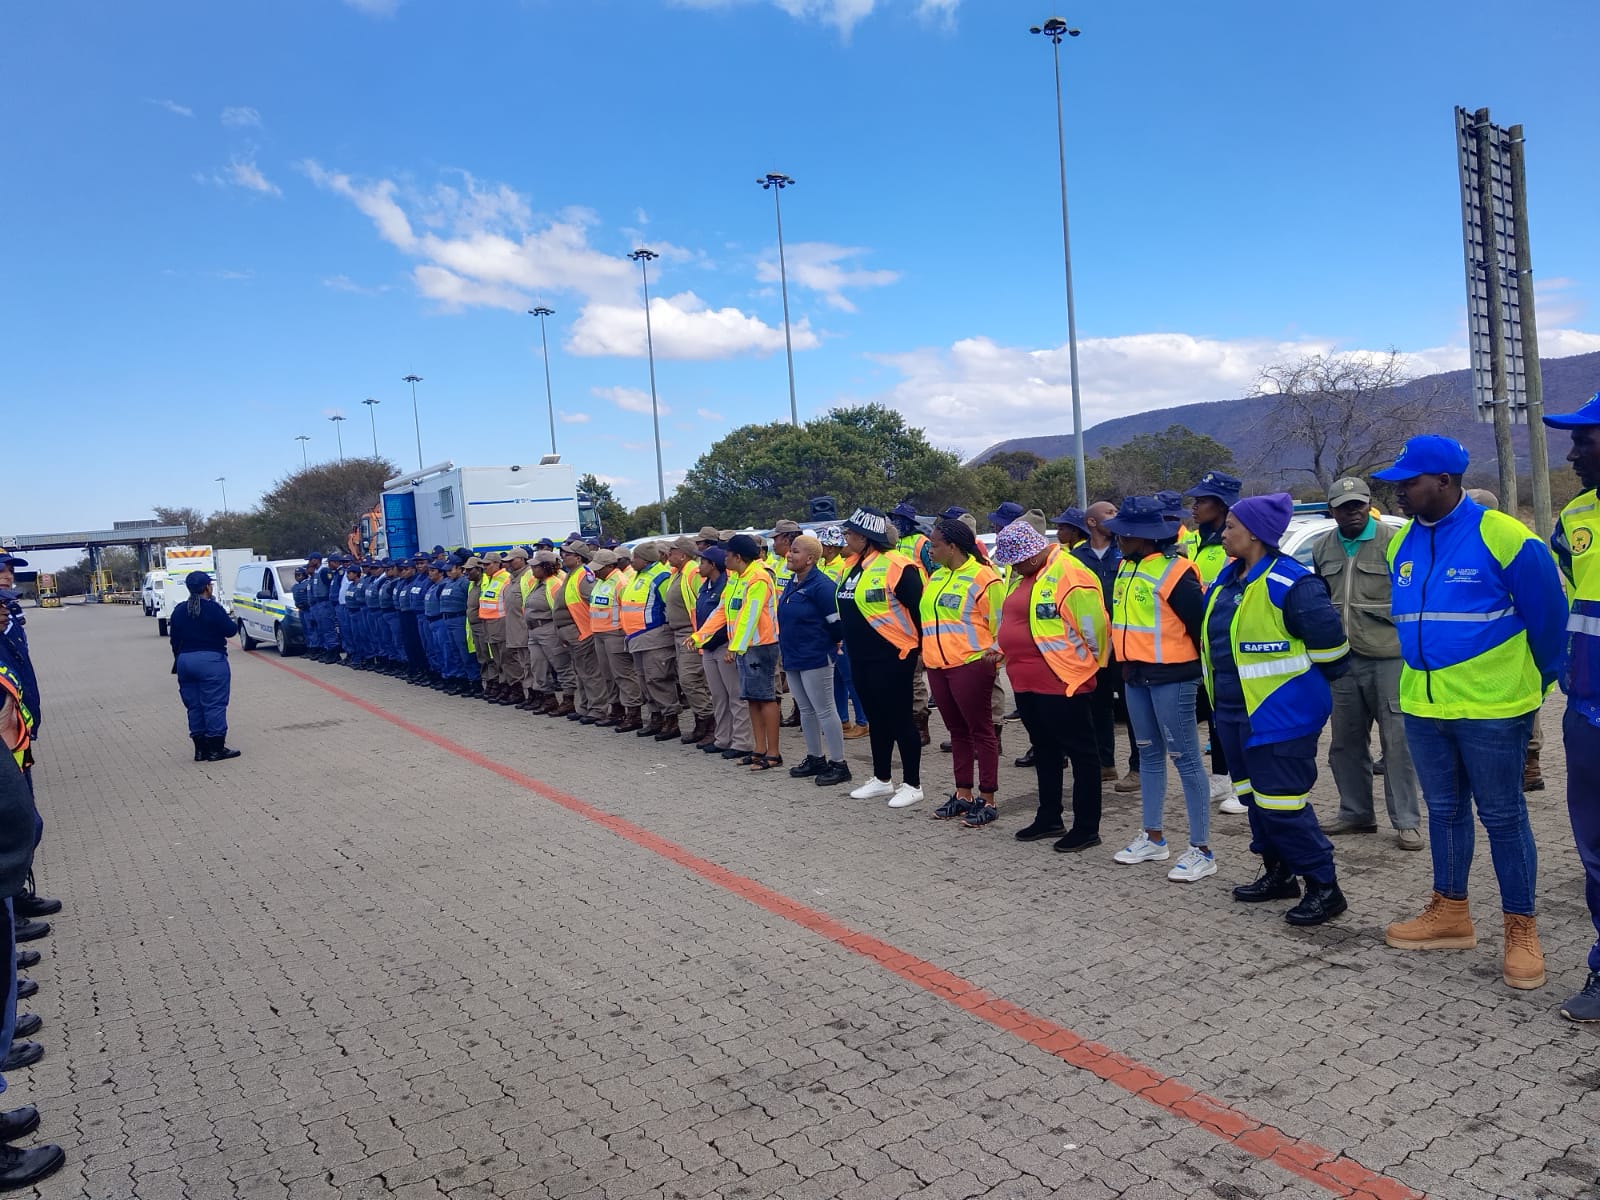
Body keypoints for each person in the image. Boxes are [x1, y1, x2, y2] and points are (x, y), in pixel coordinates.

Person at [1376, 436, 1567, 992]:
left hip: (1493, 708)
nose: (1401, 492)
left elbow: (1549, 622)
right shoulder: (1401, 545)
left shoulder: (1504, 535)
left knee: (1504, 817)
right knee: (1445, 811)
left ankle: (1521, 929)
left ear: (1444, 481)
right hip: (1423, 704)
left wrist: (1535, 686)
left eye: (1410, 482)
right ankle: (1451, 913)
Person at [1204, 494, 1351, 925]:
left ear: (1254, 533)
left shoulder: (1294, 584)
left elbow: (1334, 655)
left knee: (1282, 805)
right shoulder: (1227, 579)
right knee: (1255, 800)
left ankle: (1325, 887)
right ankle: (1279, 873)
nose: (1223, 533)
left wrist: (1294, 695)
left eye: (1230, 526)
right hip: (1234, 714)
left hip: (1279, 716)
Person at [1104, 497, 1215, 882]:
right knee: (1149, 756)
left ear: (1143, 536)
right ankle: (1153, 838)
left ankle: (1201, 849)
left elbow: (1199, 626)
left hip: (1174, 679)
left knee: (1186, 760)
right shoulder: (1125, 567)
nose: (1116, 538)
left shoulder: (1177, 572)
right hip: (1136, 678)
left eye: (1123, 532)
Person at [1310, 475, 1423, 850]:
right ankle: (1356, 813)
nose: (1352, 512)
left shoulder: (1394, 542)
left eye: (1358, 505)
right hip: (1343, 661)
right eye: (1344, 507)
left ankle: (1406, 821)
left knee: (1398, 743)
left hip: (1388, 657)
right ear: (1332, 511)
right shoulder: (1323, 546)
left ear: (1369, 503)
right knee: (1344, 743)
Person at [988, 519, 1107, 851]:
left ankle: (1086, 827)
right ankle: (1049, 817)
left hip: (1064, 681)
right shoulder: (1027, 574)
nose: (1012, 567)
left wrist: (1085, 670)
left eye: (1016, 561)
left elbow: (1095, 629)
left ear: (1031, 554)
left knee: (1082, 755)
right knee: (1045, 750)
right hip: (1027, 682)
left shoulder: (1070, 573)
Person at [1544, 392, 1600, 1020]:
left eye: (1587, 438)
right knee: (1596, 851)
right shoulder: (1574, 519)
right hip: (1589, 715)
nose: (1574, 450)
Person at [835, 508, 925, 808]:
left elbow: (919, 610)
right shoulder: (852, 565)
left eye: (849, 534)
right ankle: (882, 779)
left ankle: (912, 783)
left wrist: (919, 650)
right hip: (860, 656)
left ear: (865, 537)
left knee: (900, 720)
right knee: (876, 718)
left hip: (893, 655)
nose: (844, 538)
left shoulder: (898, 565)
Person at [920, 519, 1004, 826]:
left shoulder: (984, 578)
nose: (929, 550)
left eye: (935, 545)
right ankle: (963, 794)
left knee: (981, 730)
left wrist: (992, 659)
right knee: (957, 733)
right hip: (938, 666)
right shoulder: (936, 576)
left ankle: (989, 798)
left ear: (952, 547)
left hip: (970, 665)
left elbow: (1000, 625)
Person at [1181, 471, 1243, 812]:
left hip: (1229, 640)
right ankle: (1221, 778)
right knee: (1216, 716)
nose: (1194, 506)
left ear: (1220, 505)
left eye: (1201, 501)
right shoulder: (1194, 540)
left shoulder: (1236, 540)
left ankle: (1245, 784)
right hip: (1202, 642)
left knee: (1236, 714)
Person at [692, 534, 780, 768]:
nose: (724, 558)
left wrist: (734, 646)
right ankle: (758, 749)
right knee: (752, 699)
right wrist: (700, 635)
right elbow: (722, 611)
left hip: (761, 646)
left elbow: (750, 616)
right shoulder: (737, 578)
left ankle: (773, 753)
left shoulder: (758, 578)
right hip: (745, 646)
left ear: (737, 557)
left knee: (766, 699)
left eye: (727, 554)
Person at [1069, 502, 1138, 791]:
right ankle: (1105, 763)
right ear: (1092, 522)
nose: (1115, 516)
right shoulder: (1076, 556)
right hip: (1093, 643)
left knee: (1132, 705)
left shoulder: (1127, 552)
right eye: (1109, 513)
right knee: (1098, 704)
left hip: (1125, 641)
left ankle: (1138, 767)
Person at [778, 535, 851, 786]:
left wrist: (832, 644)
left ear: (810, 558)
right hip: (793, 655)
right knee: (806, 709)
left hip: (815, 655)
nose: (789, 554)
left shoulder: (822, 586)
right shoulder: (793, 582)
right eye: (790, 550)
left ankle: (839, 763)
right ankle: (815, 757)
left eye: (795, 551)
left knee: (825, 709)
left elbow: (836, 624)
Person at [169, 571, 241, 762]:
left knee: (194, 705)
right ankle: (216, 749)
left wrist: (181, 657)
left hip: (185, 661)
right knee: (214, 703)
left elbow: (174, 639)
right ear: (207, 587)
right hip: (210, 661)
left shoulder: (179, 610)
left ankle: (200, 750)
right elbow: (231, 630)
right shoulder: (212, 608)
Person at [692, 548, 752, 760]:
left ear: (713, 565)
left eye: (703, 562)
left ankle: (742, 741)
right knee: (718, 696)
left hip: (725, 645)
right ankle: (722, 739)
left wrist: (726, 644)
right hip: (708, 646)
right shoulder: (705, 586)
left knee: (735, 696)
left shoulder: (727, 584)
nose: (699, 566)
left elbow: (728, 617)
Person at [622, 543, 680, 740]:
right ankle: (656, 717)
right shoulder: (638, 575)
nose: (632, 561)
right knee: (645, 680)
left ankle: (670, 720)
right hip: (637, 637)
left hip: (655, 636)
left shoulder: (661, 576)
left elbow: (670, 605)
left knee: (659, 678)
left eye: (635, 558)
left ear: (645, 559)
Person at [818, 525, 867, 739]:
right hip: (828, 629)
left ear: (829, 547)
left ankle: (863, 721)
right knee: (837, 677)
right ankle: (842, 719)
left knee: (850, 677)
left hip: (842, 627)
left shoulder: (843, 567)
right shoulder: (825, 565)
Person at [665, 537, 715, 745]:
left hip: (691, 633)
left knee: (690, 679)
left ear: (683, 554)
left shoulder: (693, 572)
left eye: (672, 551)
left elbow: (703, 602)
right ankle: (701, 723)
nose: (668, 555)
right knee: (689, 679)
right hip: (680, 632)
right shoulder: (678, 573)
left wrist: (700, 635)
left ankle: (709, 723)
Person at [559, 542, 609, 724]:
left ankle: (598, 709)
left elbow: (594, 602)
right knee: (581, 673)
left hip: (584, 632)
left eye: (567, 554)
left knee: (590, 674)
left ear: (578, 557)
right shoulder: (572, 575)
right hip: (575, 633)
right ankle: (586, 707)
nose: (563, 556)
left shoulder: (584, 576)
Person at [589, 549, 639, 730]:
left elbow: (627, 609)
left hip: (615, 633)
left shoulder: (621, 582)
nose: (595, 571)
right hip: (600, 633)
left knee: (623, 675)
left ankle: (633, 713)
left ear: (610, 566)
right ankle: (616, 710)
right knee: (608, 675)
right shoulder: (601, 581)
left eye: (599, 568)